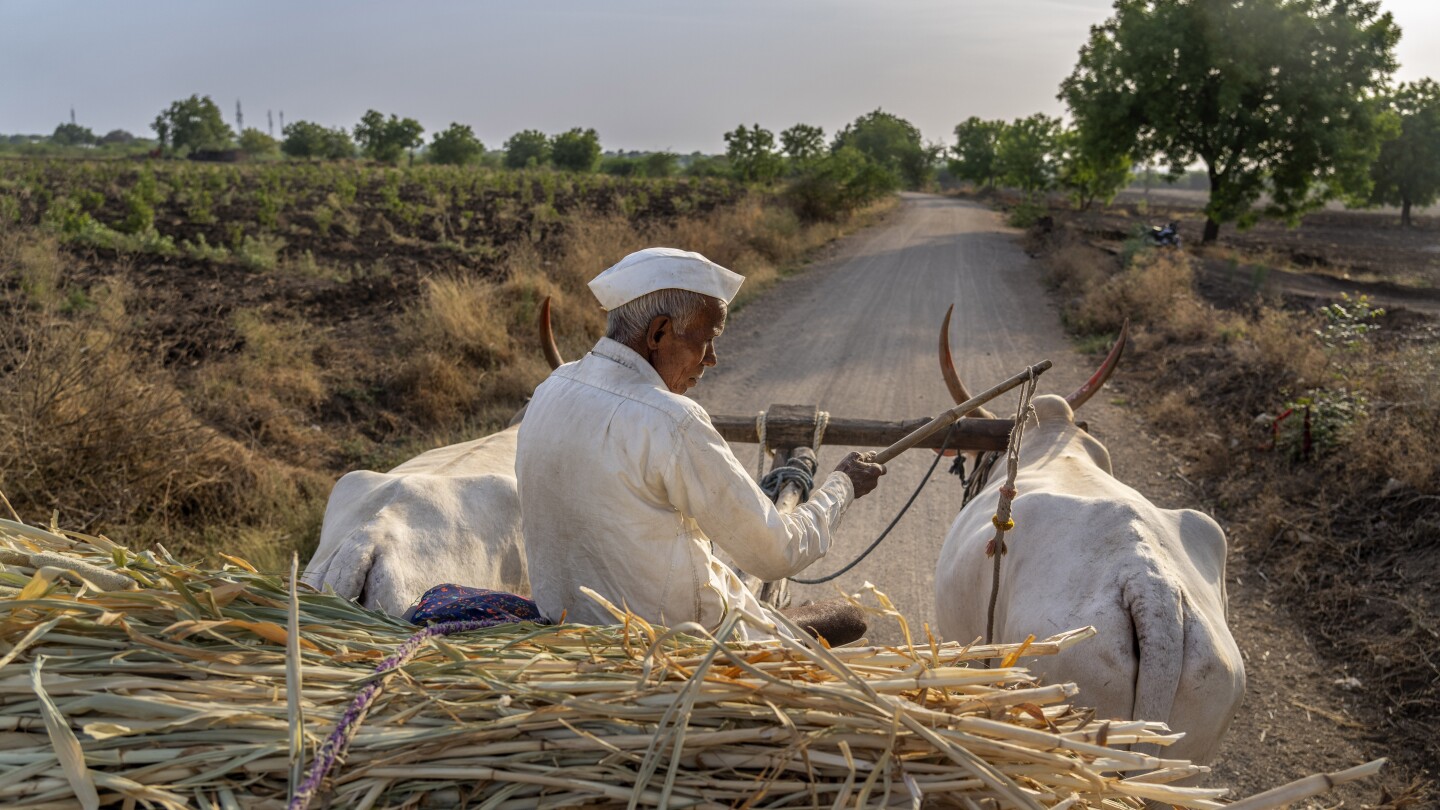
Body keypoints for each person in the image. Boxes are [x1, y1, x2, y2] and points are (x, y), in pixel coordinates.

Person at [516, 247, 886, 645]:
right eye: (707, 340)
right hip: (679, 642)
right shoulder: (672, 420)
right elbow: (778, 553)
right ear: (658, 333)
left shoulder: (549, 389)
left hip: (566, 627)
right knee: (851, 617)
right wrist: (842, 487)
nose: (711, 359)